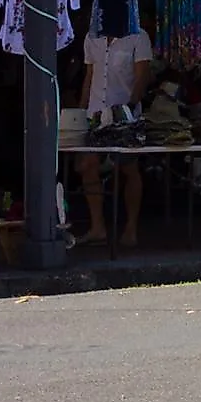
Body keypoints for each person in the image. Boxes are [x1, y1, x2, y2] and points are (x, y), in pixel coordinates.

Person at [76, 24, 154, 246]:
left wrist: (127, 109)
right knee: (88, 166)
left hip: (124, 116)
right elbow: (89, 76)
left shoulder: (139, 36)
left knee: (128, 168)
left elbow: (142, 77)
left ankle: (130, 229)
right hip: (96, 114)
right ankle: (97, 227)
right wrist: (81, 112)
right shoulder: (92, 36)